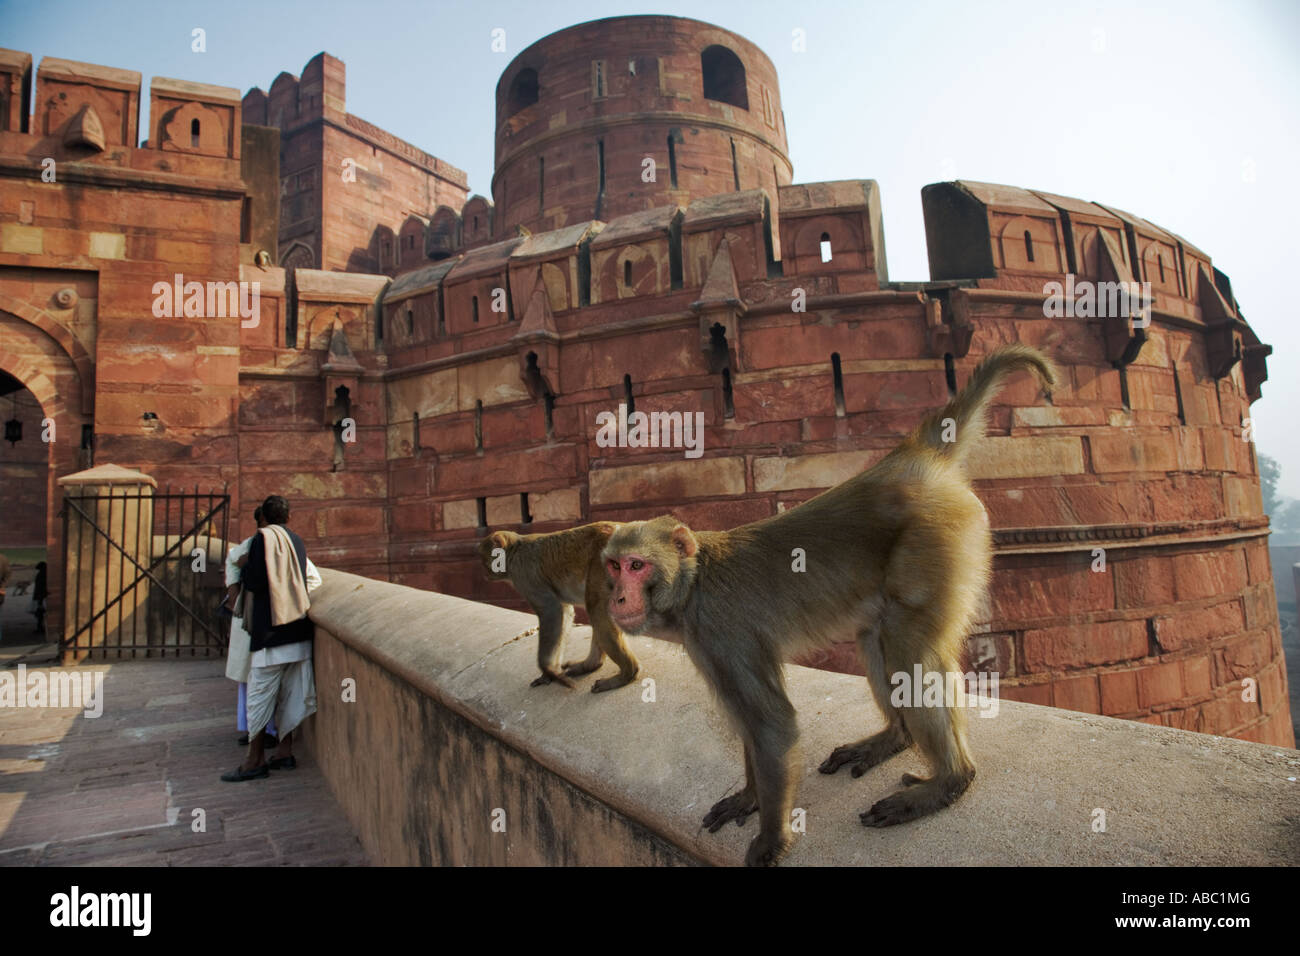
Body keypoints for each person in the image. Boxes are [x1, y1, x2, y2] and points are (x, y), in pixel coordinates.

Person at [221, 495, 318, 782]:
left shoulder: (261, 539)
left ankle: (254, 761)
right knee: (290, 696)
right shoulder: (297, 540)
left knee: (260, 698)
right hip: (298, 631)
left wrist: (244, 563)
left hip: (270, 633)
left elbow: (254, 581)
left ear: (263, 517)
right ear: (288, 517)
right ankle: (284, 754)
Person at [30, 561, 47, 637]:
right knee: (40, 613)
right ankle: (41, 627)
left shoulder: (41, 575)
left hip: (40, 596)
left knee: (40, 613)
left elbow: (40, 587)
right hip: (41, 596)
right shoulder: (43, 574)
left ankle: (40, 627)